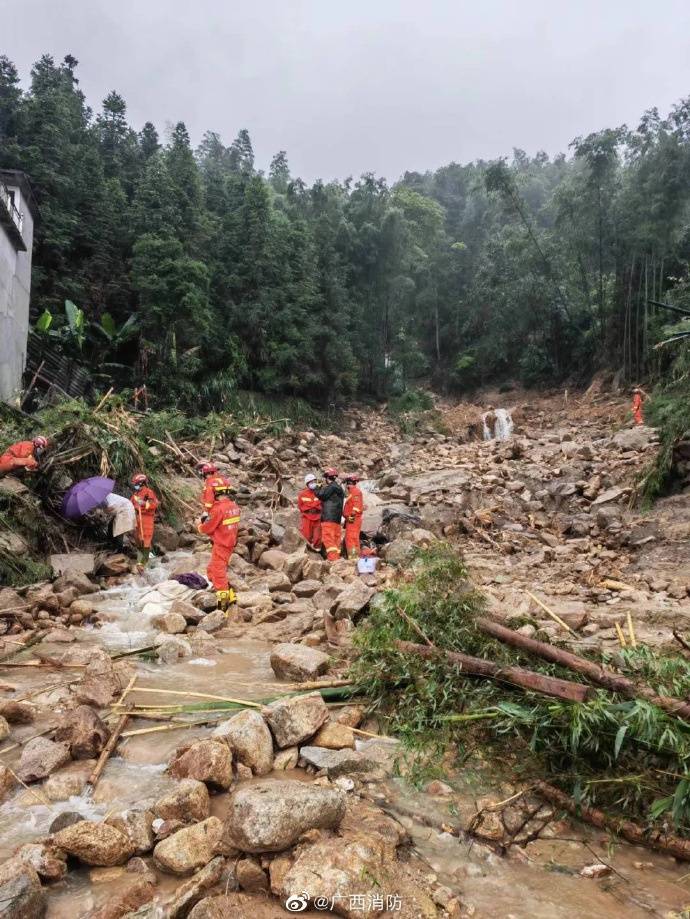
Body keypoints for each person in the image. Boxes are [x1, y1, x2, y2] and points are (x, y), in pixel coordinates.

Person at [198, 482, 241, 612]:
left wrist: (199, 525)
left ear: (216, 493)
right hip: (229, 542)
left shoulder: (218, 509)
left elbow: (208, 528)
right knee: (211, 569)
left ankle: (223, 606)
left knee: (218, 574)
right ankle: (231, 596)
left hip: (222, 544)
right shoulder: (234, 506)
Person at [314, 468, 345, 561]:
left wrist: (318, 486)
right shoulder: (340, 489)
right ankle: (338, 559)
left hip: (328, 517)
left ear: (327, 478)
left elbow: (320, 495)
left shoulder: (331, 487)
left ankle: (333, 559)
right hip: (337, 519)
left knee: (328, 538)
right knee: (336, 539)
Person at [130, 473, 159, 565]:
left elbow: (154, 505)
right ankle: (141, 560)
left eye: (136, 484)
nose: (135, 486)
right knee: (138, 540)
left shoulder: (149, 492)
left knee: (146, 539)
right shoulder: (135, 494)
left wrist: (143, 503)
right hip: (137, 518)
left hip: (147, 519)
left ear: (141, 483)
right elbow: (130, 504)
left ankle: (145, 563)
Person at [297, 473, 322, 549]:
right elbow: (300, 506)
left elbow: (322, 504)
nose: (313, 484)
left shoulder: (319, 492)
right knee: (306, 535)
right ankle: (306, 551)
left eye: (314, 481)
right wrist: (314, 505)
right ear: (307, 484)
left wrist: (312, 506)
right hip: (307, 517)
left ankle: (317, 553)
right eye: (311, 482)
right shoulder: (302, 494)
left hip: (317, 517)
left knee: (317, 537)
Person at [343, 473, 364, 559]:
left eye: (347, 483)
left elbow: (356, 508)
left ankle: (353, 557)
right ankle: (356, 557)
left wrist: (350, 518)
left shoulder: (355, 492)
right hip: (352, 519)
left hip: (353, 519)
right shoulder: (352, 492)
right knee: (354, 538)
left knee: (351, 539)